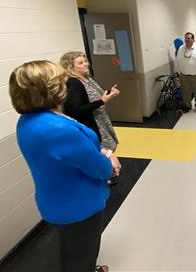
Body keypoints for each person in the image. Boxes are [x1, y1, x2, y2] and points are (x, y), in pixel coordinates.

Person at [9, 60, 121, 272]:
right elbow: (99, 169)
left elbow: (65, 155)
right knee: (81, 253)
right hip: (79, 204)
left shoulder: (29, 120)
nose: (65, 85)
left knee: (75, 248)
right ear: (49, 89)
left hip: (57, 200)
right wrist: (109, 160)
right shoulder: (56, 129)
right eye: (61, 82)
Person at [60, 52, 119, 151]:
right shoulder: (73, 83)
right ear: (70, 67)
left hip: (101, 119)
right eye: (80, 63)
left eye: (85, 61)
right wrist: (102, 101)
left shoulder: (88, 77)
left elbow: (93, 95)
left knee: (111, 148)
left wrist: (109, 92)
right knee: (104, 153)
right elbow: (76, 109)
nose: (86, 64)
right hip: (92, 123)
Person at [175, 32, 196, 114]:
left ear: (193, 39)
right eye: (185, 38)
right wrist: (179, 73)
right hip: (184, 75)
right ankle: (187, 106)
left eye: (189, 38)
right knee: (185, 92)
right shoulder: (181, 48)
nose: (187, 40)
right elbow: (177, 60)